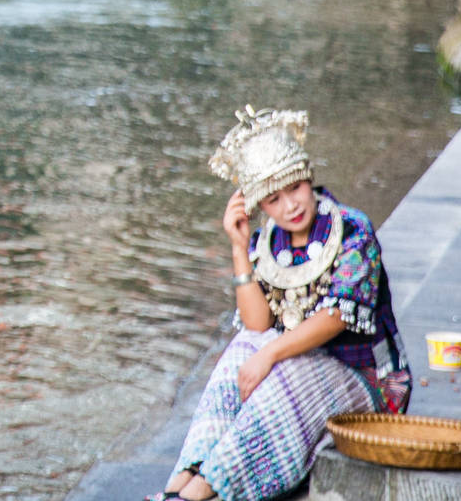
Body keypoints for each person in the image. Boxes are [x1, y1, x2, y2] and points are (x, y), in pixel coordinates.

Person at [152, 107, 410, 501]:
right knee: (241, 349)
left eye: (295, 189)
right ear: (261, 207)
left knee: (287, 370)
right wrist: (239, 247)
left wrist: (270, 355)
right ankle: (182, 479)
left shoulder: (353, 229)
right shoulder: (266, 242)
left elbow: (336, 317)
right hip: (291, 363)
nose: (290, 206)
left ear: (308, 178)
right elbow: (256, 326)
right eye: (273, 199)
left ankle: (202, 492)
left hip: (365, 378)